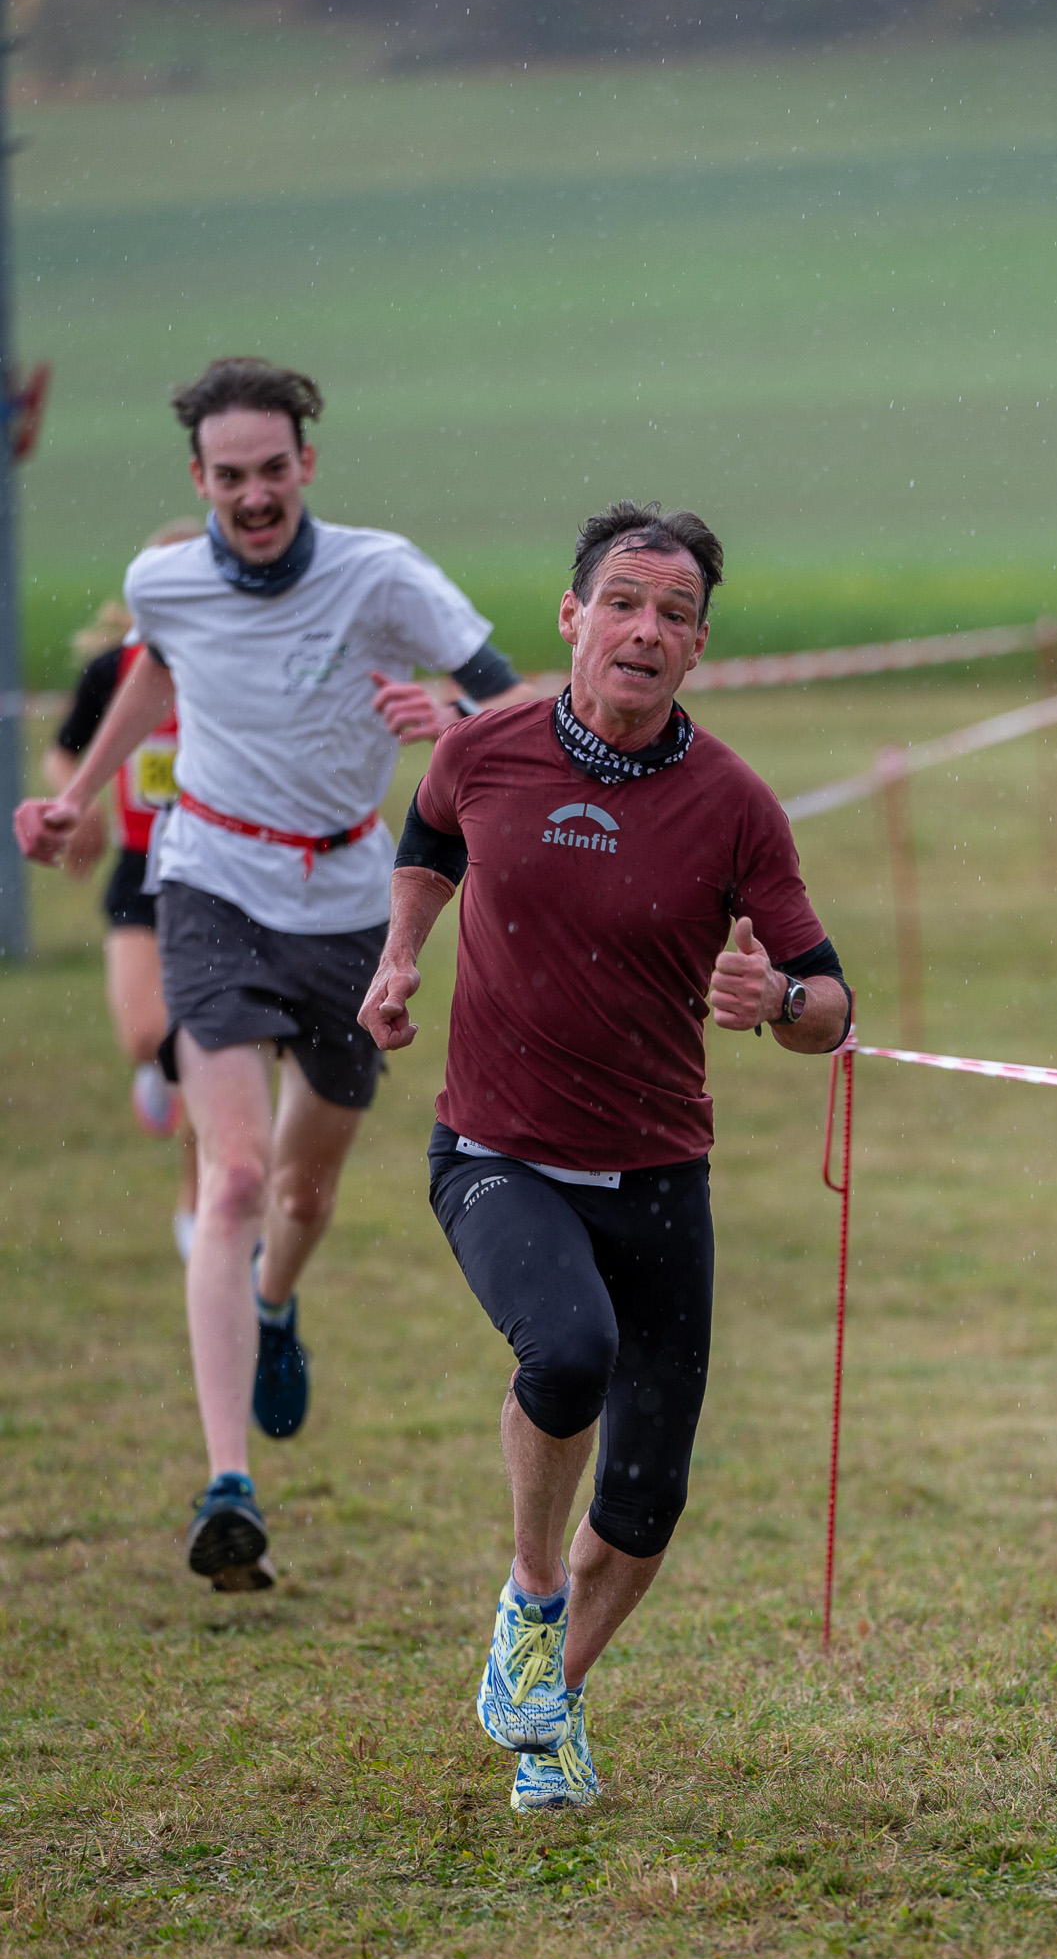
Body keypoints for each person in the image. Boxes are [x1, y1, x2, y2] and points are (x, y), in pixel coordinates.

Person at [358, 499, 851, 1812]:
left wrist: (776, 1003)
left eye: (674, 614)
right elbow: (431, 834)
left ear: (697, 647)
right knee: (567, 1351)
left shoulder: (734, 806)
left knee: (644, 1500)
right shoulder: (485, 747)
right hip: (496, 1150)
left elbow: (828, 1000)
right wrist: (400, 953)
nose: (644, 629)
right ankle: (528, 1596)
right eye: (622, 602)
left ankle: (552, 1698)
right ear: (572, 616)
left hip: (657, 1174)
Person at [15, 356, 530, 1592]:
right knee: (235, 1174)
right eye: (229, 474)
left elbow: (514, 706)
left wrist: (448, 720)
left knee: (302, 1191)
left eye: (271, 470)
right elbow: (156, 662)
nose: (253, 495)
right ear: (200, 478)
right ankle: (227, 1483)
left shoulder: (381, 574)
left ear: (306, 464)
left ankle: (278, 1302)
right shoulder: (164, 580)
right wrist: (83, 793)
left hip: (349, 901)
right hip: (209, 884)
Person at [45, 524, 202, 1261]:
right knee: (147, 1036)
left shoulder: (234, 662)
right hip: (141, 869)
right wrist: (77, 806)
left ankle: (199, 1202)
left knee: (204, 1050)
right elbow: (62, 752)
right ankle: (158, 1070)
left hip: (219, 872)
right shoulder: (115, 670)